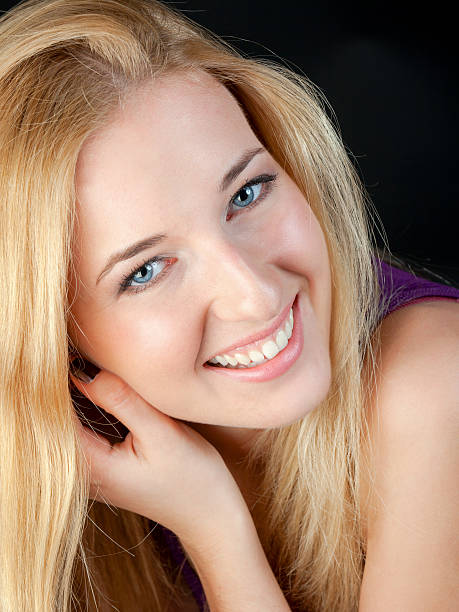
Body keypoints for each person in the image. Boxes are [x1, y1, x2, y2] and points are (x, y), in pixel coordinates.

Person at [0, 0, 457, 610]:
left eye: (247, 192)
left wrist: (214, 530)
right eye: (147, 270)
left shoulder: (435, 382)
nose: (256, 294)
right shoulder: (67, 474)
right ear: (55, 337)